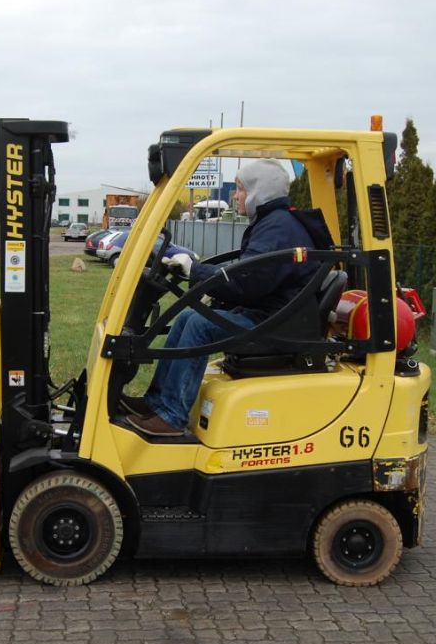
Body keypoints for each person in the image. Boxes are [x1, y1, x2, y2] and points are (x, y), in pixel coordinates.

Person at [124, 159, 320, 437]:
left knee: (198, 326)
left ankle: (171, 416)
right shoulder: (272, 223)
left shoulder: (278, 228)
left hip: (272, 322)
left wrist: (197, 271)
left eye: (240, 189)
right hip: (268, 312)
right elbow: (248, 272)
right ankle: (156, 402)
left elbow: (247, 281)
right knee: (188, 318)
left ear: (258, 191)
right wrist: (203, 277)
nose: (236, 195)